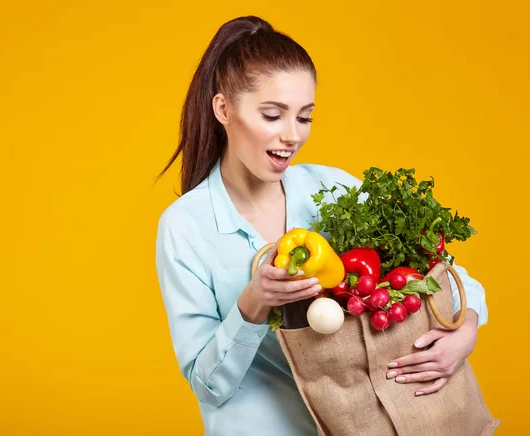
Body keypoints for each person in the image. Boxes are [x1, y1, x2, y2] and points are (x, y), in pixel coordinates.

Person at [155, 15, 488, 436]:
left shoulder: (333, 189)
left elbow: (447, 273)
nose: (292, 135)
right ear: (223, 109)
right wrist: (254, 303)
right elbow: (209, 386)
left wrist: (468, 327)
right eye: (273, 115)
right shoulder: (186, 226)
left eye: (304, 117)